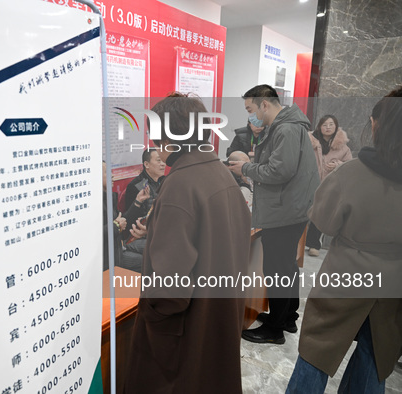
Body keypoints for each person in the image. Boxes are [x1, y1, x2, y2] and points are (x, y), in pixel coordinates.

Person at [123, 93, 251, 393]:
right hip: (218, 320)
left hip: (184, 338)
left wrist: (151, 315)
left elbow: (170, 290)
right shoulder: (219, 173)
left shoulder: (179, 185)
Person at [286, 86, 402, 393]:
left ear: (377, 123)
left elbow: (322, 223)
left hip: (347, 275)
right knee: (374, 356)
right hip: (394, 284)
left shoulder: (352, 173)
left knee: (316, 353)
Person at [228, 84, 319, 344]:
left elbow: (280, 171)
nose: (250, 116)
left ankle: (275, 329)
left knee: (277, 268)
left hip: (285, 210)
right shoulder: (288, 126)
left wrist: (246, 168)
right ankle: (286, 317)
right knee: (287, 265)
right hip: (291, 207)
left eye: (250, 109)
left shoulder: (286, 128)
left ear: (264, 104)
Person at [306, 115, 352, 256]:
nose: (328, 127)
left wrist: (338, 165)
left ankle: (314, 244)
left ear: (336, 127)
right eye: (324, 124)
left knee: (320, 213)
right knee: (302, 213)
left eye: (331, 124)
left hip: (329, 185)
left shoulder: (343, 147)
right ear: (319, 126)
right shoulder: (309, 141)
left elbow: (349, 165)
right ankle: (298, 242)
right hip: (308, 182)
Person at [102, 161, 126, 271]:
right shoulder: (93, 204)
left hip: (117, 254)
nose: (112, 175)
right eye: (107, 172)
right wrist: (116, 225)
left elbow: (122, 222)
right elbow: (94, 235)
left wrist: (137, 202)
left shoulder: (110, 197)